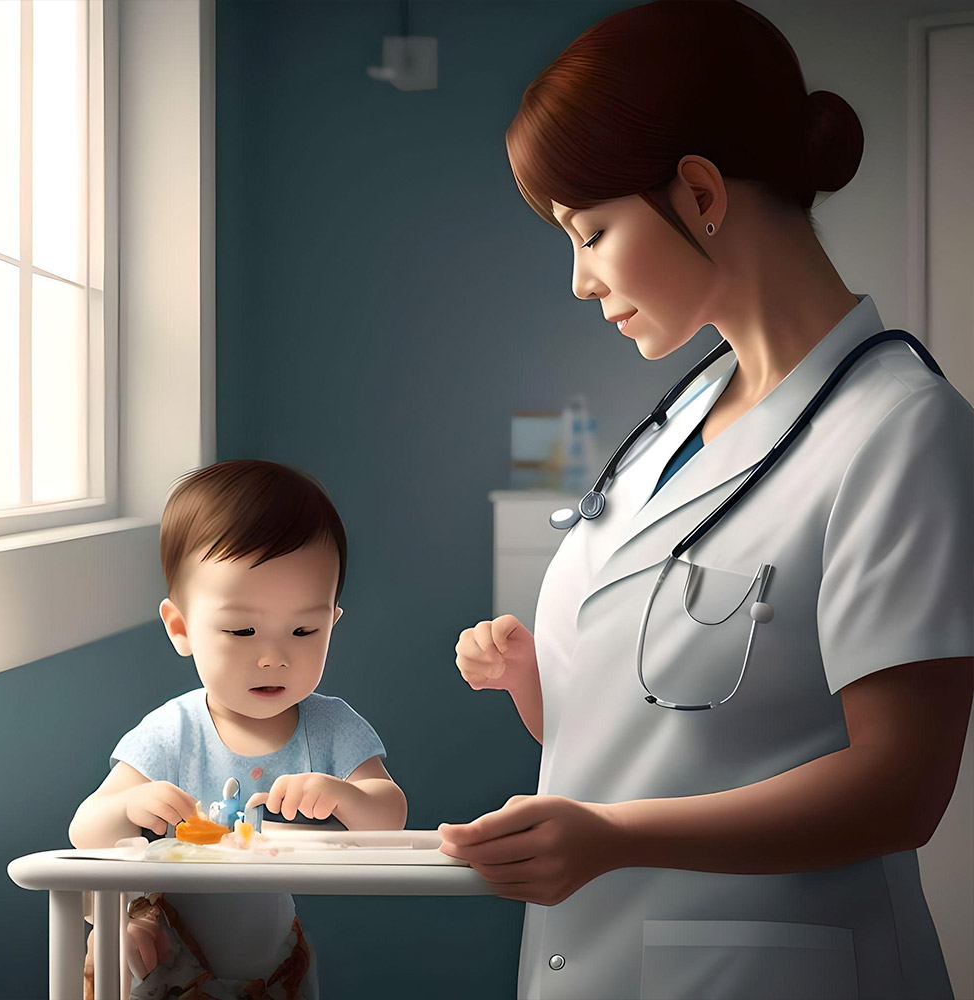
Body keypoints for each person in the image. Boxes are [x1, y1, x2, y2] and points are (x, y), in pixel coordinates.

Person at [439, 3, 973, 998]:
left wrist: (611, 839)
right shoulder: (677, 420)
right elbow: (660, 731)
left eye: (590, 231)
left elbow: (900, 788)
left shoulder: (900, 428)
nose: (579, 281)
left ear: (696, 191)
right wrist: (534, 682)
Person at [70, 459, 407, 999]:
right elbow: (86, 830)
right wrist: (130, 807)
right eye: (242, 629)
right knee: (122, 938)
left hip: (272, 961)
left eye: (303, 629)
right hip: (173, 953)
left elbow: (390, 818)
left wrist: (343, 795)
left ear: (332, 623)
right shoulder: (173, 732)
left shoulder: (330, 726)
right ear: (181, 628)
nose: (273, 657)